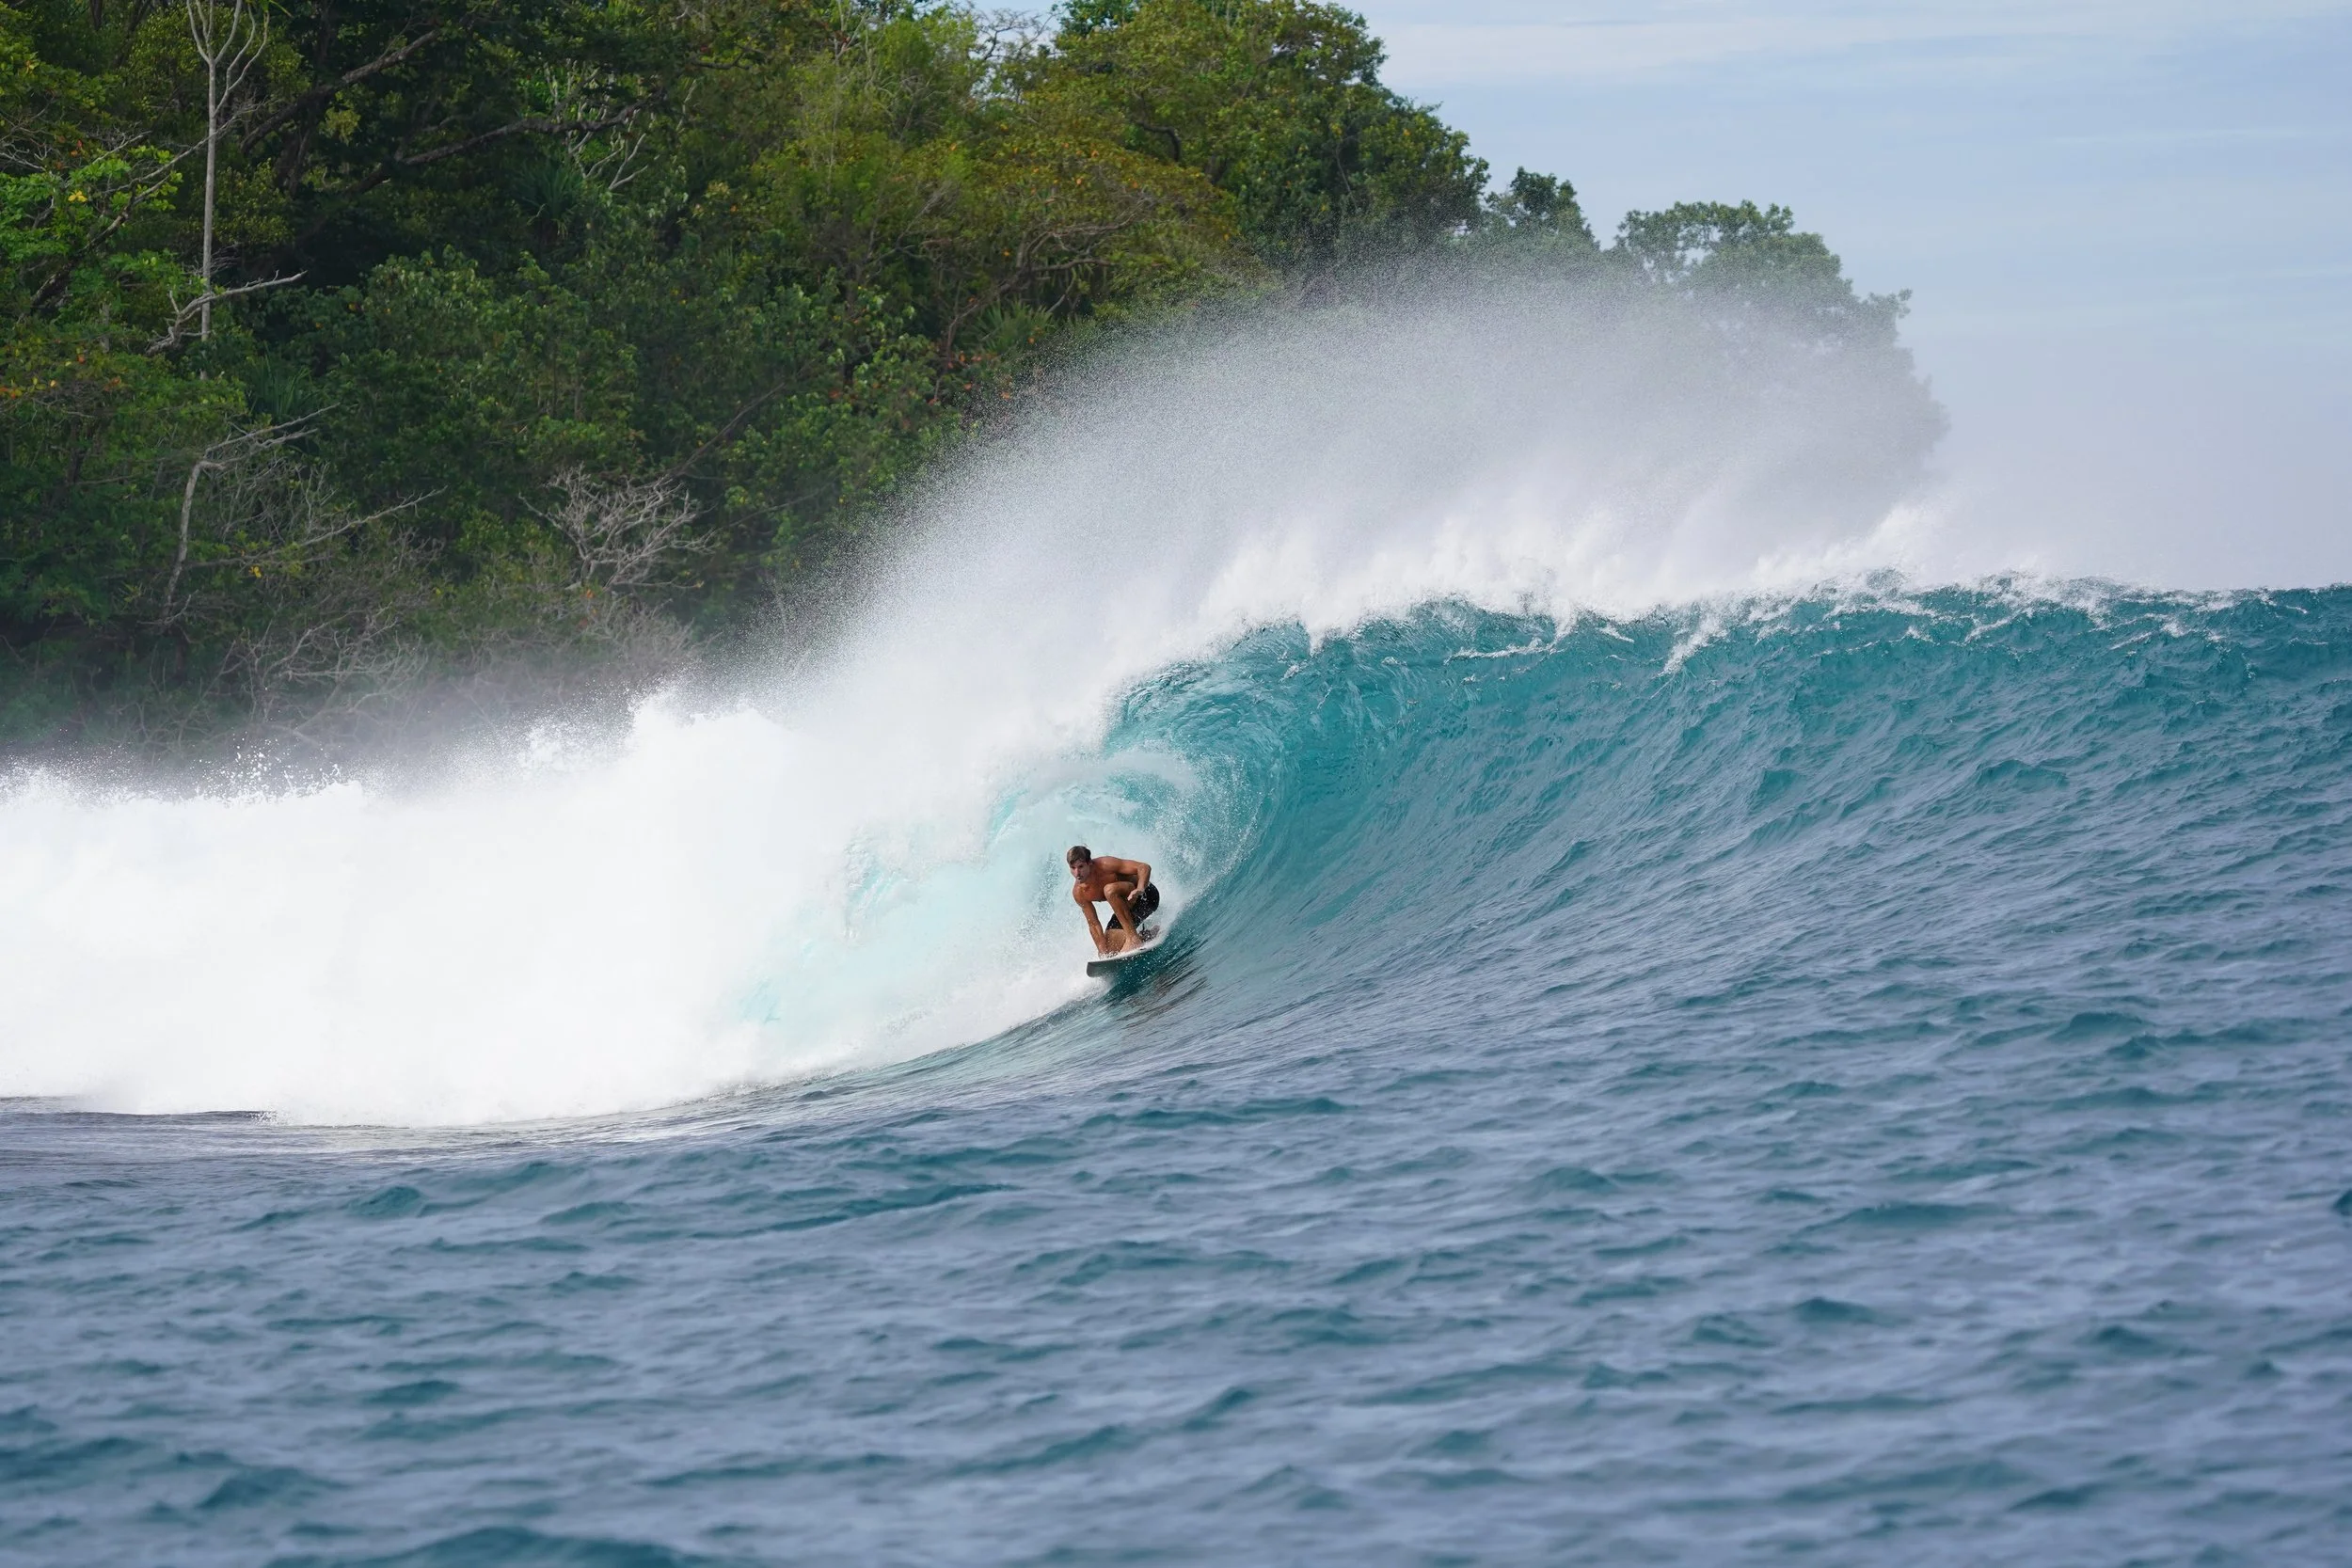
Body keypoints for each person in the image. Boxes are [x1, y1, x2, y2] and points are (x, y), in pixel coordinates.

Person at [1068, 845, 1158, 956]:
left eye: (1081, 867)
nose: (1077, 873)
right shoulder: (1079, 893)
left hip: (1146, 897)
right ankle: (1146, 936)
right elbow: (1094, 924)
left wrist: (1140, 888)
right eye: (1073, 868)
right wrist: (1103, 953)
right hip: (1127, 909)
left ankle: (1133, 938)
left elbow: (1144, 867)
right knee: (1111, 950)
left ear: (1089, 863)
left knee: (1109, 890)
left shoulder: (1106, 865)